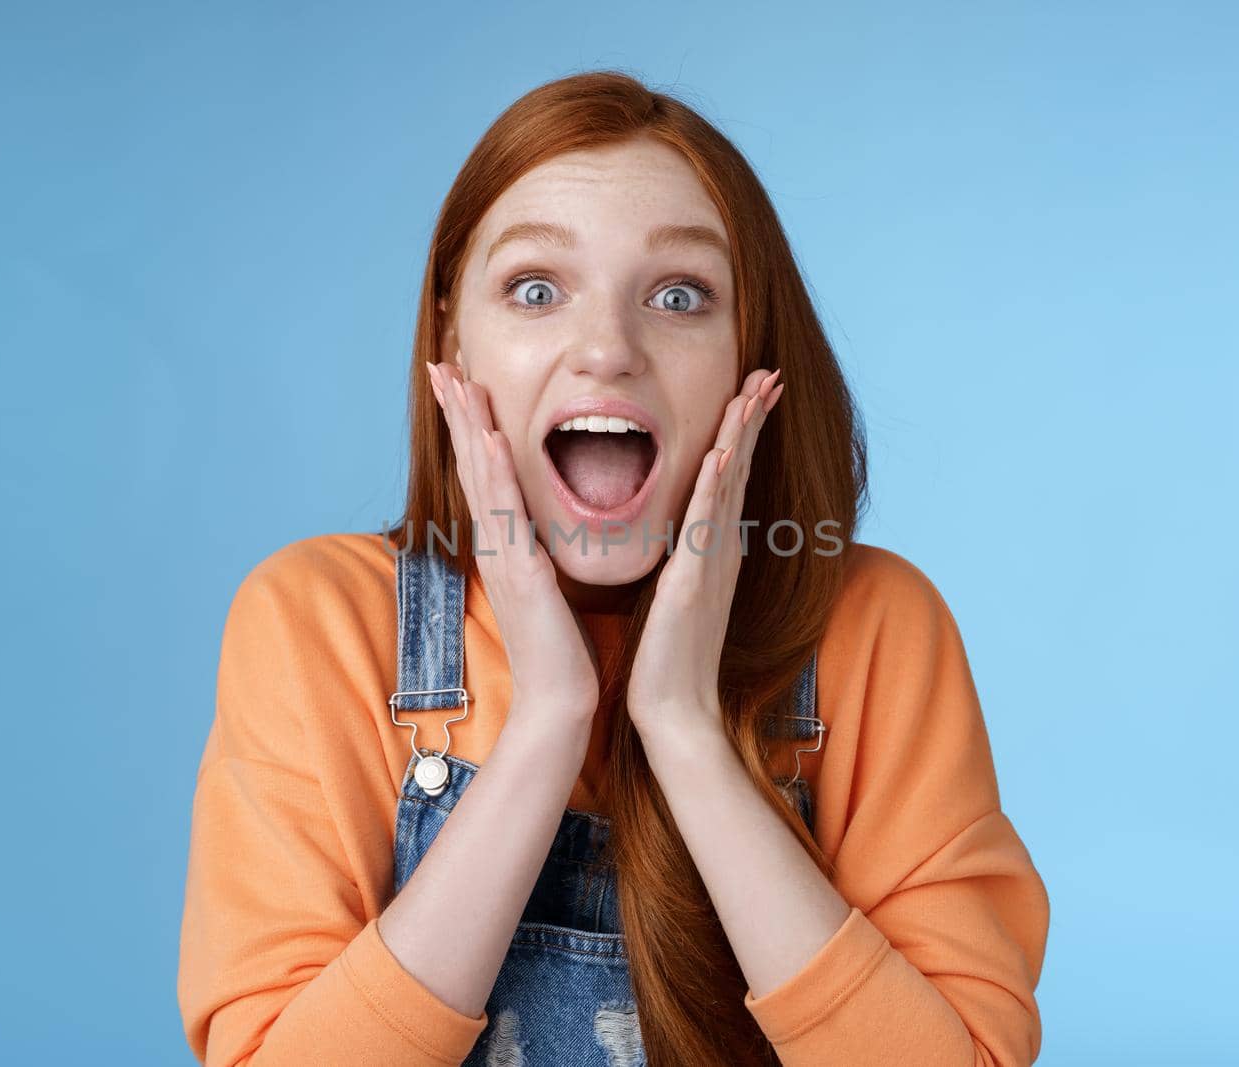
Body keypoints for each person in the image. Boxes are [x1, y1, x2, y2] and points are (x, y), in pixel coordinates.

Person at [177, 70, 1049, 1067]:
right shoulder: (318, 621)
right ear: (451, 338)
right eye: (535, 288)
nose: (606, 349)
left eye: (679, 295)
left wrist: (681, 726)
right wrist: (550, 715)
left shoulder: (872, 627)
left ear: (749, 360)